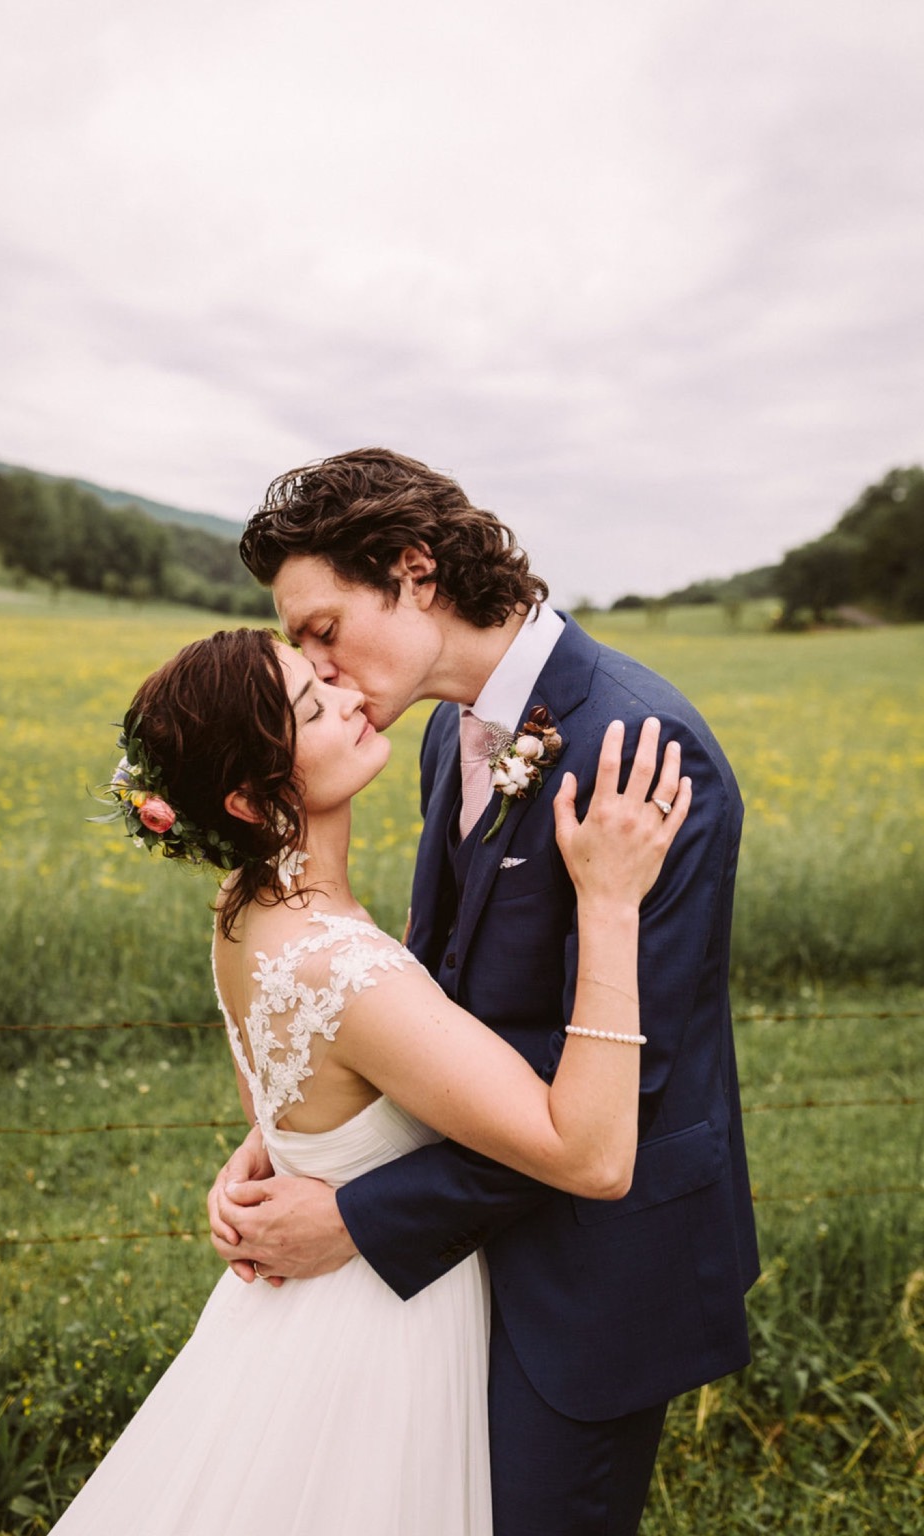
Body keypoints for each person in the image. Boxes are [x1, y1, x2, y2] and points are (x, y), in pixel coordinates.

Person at [209, 448, 760, 1536]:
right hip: (469, 1258)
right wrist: (297, 1135)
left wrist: (359, 1215)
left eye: (322, 629)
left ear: (414, 570)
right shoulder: (438, 735)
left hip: (593, 1266)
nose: (316, 666)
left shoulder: (639, 752)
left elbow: (616, 1088)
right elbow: (434, 993)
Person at [53, 624, 689, 1535]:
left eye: (321, 677)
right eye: (314, 706)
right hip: (386, 1330)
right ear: (251, 795)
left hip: (310, 1306)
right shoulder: (341, 969)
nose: (350, 697)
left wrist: (278, 1147)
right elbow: (587, 1154)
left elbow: (287, 1087)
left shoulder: (244, 911)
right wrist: (611, 901)